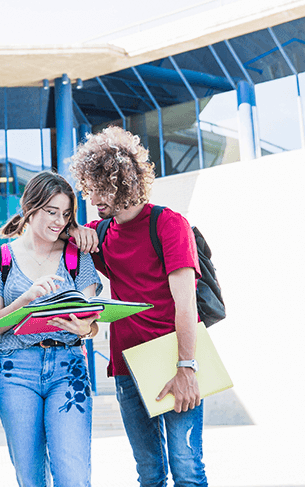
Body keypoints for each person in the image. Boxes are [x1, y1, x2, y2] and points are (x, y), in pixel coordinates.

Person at [69, 126, 208, 487]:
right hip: (129, 365)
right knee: (149, 474)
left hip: (173, 359)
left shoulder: (169, 224)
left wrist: (187, 368)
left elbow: (186, 305)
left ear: (123, 181)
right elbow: (56, 236)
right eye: (90, 187)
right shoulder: (101, 233)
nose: (94, 197)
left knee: (188, 472)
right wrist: (75, 232)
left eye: (101, 187)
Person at [0, 171, 102, 487]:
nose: (59, 221)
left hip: (69, 368)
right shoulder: (1, 258)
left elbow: (93, 322)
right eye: (52, 211)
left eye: (65, 214)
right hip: (15, 371)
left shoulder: (78, 257)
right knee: (30, 476)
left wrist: (84, 328)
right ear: (30, 207)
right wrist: (26, 300)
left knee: (72, 475)